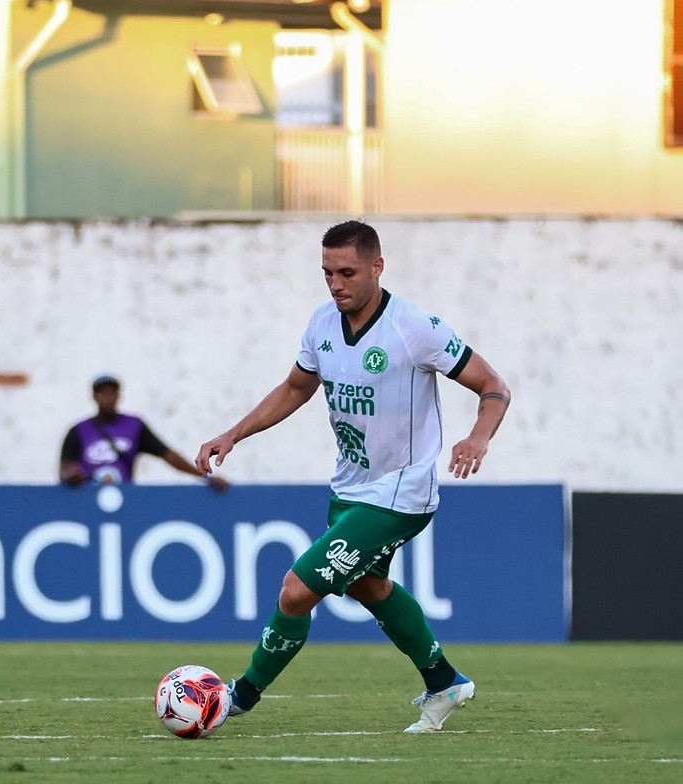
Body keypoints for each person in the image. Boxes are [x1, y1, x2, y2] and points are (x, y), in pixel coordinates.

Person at [196, 220, 510, 733]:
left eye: (347, 272)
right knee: (368, 586)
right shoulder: (322, 324)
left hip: (401, 493)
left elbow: (494, 385)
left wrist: (479, 437)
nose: (336, 283)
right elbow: (296, 388)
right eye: (327, 273)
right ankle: (444, 680)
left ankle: (238, 697)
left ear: (377, 267)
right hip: (351, 488)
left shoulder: (414, 327)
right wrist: (233, 434)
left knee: (296, 590)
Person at [60, 374, 228, 492]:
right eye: (103, 392)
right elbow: (65, 468)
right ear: (94, 396)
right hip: (87, 498)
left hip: (125, 496)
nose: (107, 397)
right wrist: (70, 476)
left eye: (112, 392)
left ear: (119, 395)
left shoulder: (134, 426)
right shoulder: (78, 430)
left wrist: (203, 476)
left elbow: (167, 454)